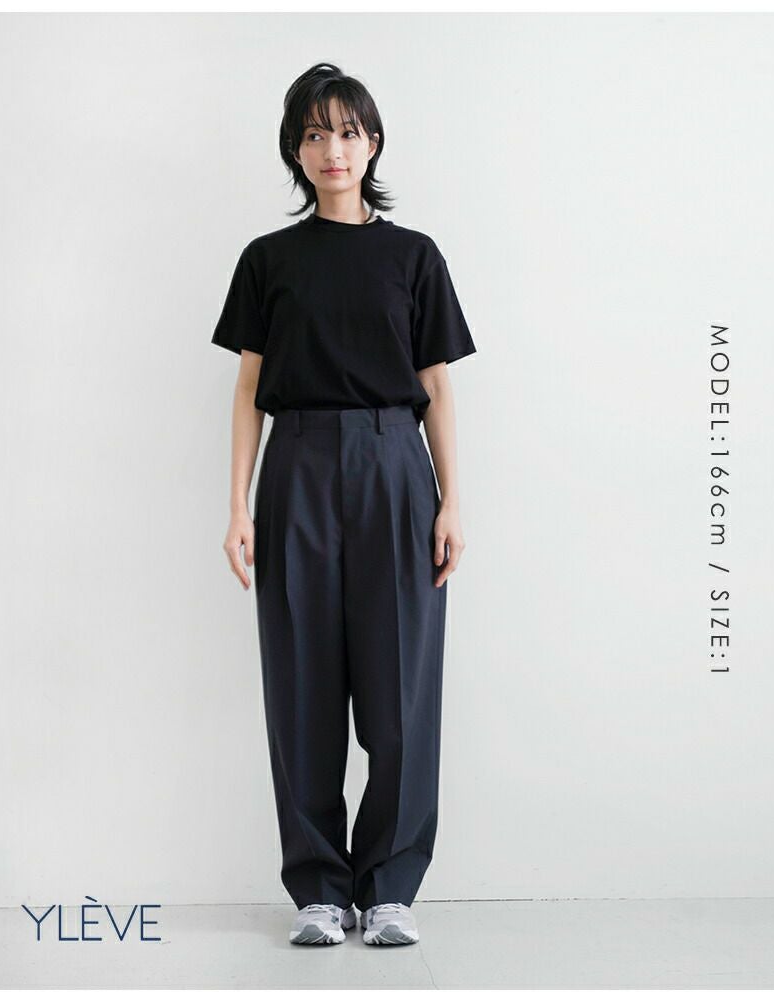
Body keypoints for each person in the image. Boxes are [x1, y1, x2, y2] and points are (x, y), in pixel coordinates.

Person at [211, 63, 477, 947]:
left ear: (374, 143)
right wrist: (238, 505)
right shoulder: (268, 260)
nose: (334, 149)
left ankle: (391, 885)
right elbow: (248, 389)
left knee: (401, 689)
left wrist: (452, 500)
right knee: (302, 684)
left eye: (350, 132)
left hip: (395, 466)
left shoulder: (414, 256)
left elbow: (436, 386)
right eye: (316, 134)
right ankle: (321, 889)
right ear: (296, 150)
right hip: (297, 467)